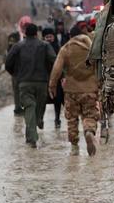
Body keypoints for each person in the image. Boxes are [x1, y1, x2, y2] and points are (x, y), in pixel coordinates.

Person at [49, 25, 100, 157]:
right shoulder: (91, 47)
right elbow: (101, 65)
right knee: (90, 115)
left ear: (71, 36)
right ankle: (89, 131)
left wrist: (52, 86)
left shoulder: (66, 49)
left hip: (71, 90)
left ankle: (74, 146)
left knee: (72, 118)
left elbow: (56, 69)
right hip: (90, 89)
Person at [5, 23, 56, 147]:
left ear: (25, 33)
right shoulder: (45, 46)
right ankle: (36, 127)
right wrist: (51, 76)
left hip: (24, 82)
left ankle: (32, 137)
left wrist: (17, 75)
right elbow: (54, 60)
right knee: (39, 106)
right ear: (36, 34)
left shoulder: (17, 46)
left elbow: (8, 63)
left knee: (29, 107)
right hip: (42, 82)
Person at [42, 27, 64, 128]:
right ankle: (40, 119)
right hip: (45, 78)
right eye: (47, 37)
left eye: (51, 37)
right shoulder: (41, 48)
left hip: (57, 78)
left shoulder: (58, 48)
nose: (49, 39)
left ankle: (57, 118)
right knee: (43, 100)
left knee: (57, 99)